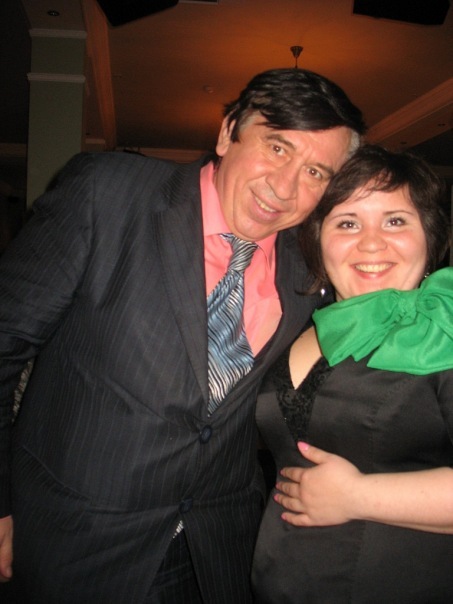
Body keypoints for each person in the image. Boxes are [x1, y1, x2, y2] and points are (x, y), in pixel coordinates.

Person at [0, 68, 365, 604]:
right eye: (277, 147)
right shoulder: (108, 193)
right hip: (77, 540)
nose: (285, 188)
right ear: (228, 132)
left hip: (217, 549)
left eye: (314, 172)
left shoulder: (311, 267)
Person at [252, 144, 453, 603]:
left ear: (430, 236)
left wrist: (359, 496)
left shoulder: (444, 329)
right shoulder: (299, 325)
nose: (371, 242)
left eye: (395, 221)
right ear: (317, 239)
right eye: (347, 223)